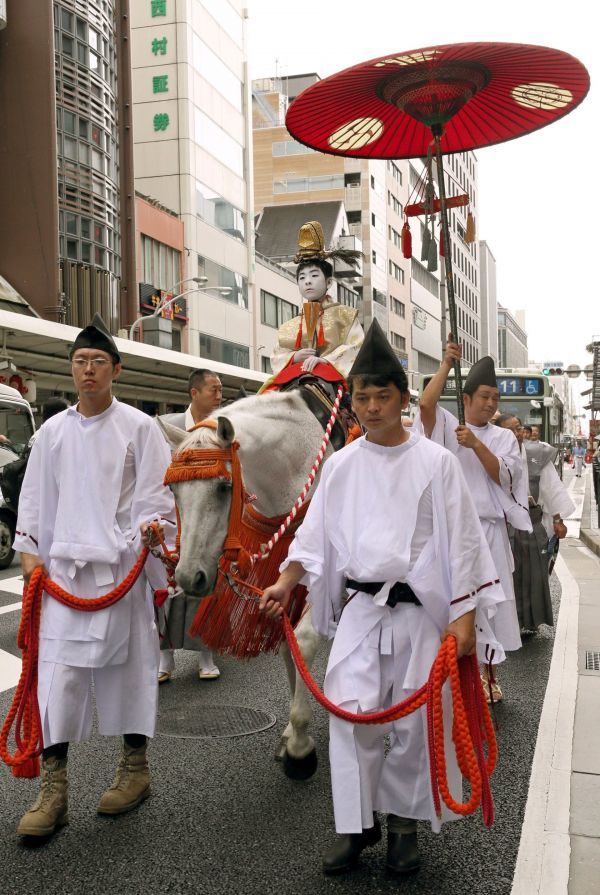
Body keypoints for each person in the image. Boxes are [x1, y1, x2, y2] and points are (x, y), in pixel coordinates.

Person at [259, 321, 508, 877]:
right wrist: (287, 579)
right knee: (351, 717)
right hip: (362, 613)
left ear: (402, 399)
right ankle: (356, 826)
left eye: (382, 396)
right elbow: (315, 533)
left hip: (421, 615)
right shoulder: (342, 465)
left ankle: (403, 829)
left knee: (416, 723)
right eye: (362, 397)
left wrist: (465, 617)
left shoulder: (436, 464)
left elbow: (464, 543)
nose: (371, 407)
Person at [12, 314, 176, 838]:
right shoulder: (52, 432)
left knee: (128, 673)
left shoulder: (140, 427)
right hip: (64, 576)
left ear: (115, 370)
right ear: (72, 369)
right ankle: (54, 790)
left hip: (121, 570)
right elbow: (34, 501)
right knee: (57, 680)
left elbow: (157, 496)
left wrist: (154, 532)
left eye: (98, 362)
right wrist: (30, 557)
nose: (88, 370)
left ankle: (135, 769)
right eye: (80, 361)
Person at [416, 341, 532, 702]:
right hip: (452, 533)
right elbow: (425, 404)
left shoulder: (503, 437)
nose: (492, 403)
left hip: (491, 533)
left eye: (495, 397)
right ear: (466, 398)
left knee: (489, 606)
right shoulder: (449, 425)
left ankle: (489, 676)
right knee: (454, 604)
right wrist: (446, 365)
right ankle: (452, 678)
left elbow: (506, 478)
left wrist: (477, 445)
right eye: (484, 396)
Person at [158, 369, 223, 682]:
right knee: (164, 590)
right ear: (194, 393)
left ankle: (206, 653)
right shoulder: (168, 427)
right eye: (214, 389)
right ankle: (164, 658)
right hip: (172, 516)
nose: (219, 395)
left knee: (205, 584)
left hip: (207, 519)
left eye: (220, 389)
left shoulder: (223, 431)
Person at [263, 221, 364, 390]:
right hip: (296, 378)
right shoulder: (290, 326)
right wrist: (295, 357)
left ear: (329, 282)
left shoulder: (345, 316)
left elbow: (357, 347)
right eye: (302, 278)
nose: (307, 281)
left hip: (335, 381)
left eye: (314, 275)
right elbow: (276, 355)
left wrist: (324, 360)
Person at [495, 414, 574, 631]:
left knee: (535, 574)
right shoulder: (490, 455)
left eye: (518, 428)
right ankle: (506, 624)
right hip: (502, 524)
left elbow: (551, 489)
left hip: (532, 521)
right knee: (505, 575)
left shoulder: (535, 455)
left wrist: (558, 520)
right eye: (510, 430)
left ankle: (530, 621)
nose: (517, 433)